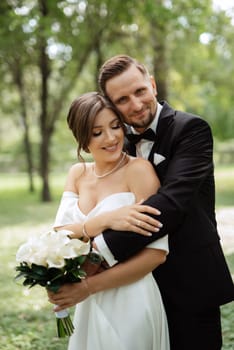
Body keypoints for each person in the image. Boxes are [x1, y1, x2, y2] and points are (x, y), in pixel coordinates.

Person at [93, 55, 234, 350]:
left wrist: (99, 253)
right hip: (139, 287)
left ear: (153, 86)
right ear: (112, 107)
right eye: (122, 99)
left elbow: (170, 204)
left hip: (192, 279)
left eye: (140, 91)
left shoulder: (191, 130)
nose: (135, 104)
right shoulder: (118, 144)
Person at [48, 92, 170, 350]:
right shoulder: (78, 173)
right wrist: (105, 220)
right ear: (82, 138)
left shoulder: (139, 170)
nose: (112, 138)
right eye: (97, 132)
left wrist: (89, 287)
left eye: (115, 126)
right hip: (89, 304)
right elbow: (59, 237)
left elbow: (156, 254)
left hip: (132, 298)